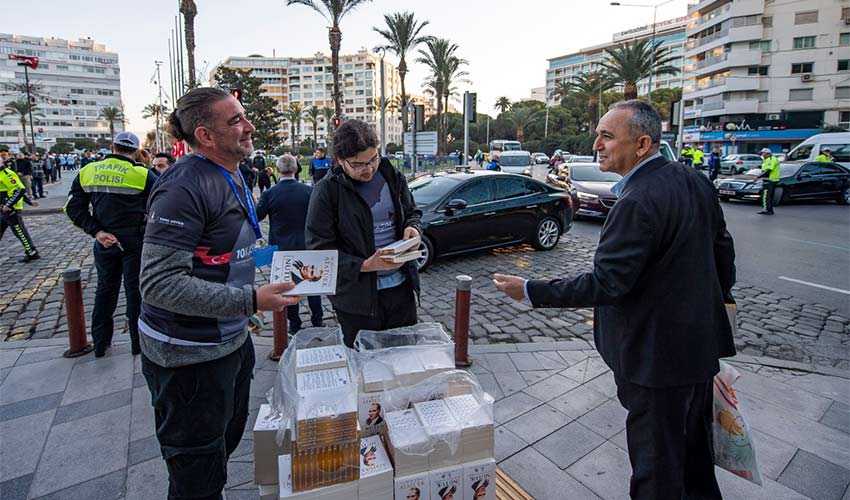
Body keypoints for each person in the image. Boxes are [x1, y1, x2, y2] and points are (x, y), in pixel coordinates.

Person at [493, 100, 736, 500]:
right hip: (698, 348)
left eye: (607, 136)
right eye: (598, 134)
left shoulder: (637, 201)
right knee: (693, 459)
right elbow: (722, 255)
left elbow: (607, 284)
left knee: (656, 469)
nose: (597, 144)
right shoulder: (693, 180)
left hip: (654, 362)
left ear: (641, 144)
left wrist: (531, 290)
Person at [139, 87, 299, 500]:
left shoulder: (231, 172)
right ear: (205, 136)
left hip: (229, 341)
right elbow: (158, 284)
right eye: (235, 121)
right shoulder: (183, 187)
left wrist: (245, 302)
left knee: (220, 453)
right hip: (188, 359)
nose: (248, 126)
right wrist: (250, 299)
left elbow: (219, 256)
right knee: (197, 479)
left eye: (244, 116)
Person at [306, 119, 421, 347]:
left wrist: (413, 227)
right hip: (356, 299)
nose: (369, 169)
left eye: (373, 159)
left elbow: (412, 211)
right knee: (365, 365)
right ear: (340, 160)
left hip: (401, 288)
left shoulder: (390, 173)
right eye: (358, 164)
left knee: (405, 355)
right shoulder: (327, 191)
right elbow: (318, 248)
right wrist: (364, 265)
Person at [64, 132, 155, 357]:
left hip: (104, 241)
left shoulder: (87, 171)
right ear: (135, 151)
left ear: (112, 148)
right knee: (135, 292)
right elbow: (164, 203)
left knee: (104, 291)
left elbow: (72, 209)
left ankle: (101, 344)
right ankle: (138, 344)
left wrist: (97, 231)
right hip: (134, 240)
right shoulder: (142, 174)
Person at [256, 154, 325, 333]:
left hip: (282, 247)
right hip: (307, 244)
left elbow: (257, 217)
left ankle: (294, 325)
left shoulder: (270, 193)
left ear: (278, 171)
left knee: (288, 287)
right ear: (296, 169)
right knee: (313, 284)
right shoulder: (309, 191)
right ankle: (318, 320)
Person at [0, 155, 40, 261]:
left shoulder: (7, 174)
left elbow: (19, 190)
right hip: (3, 208)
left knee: (20, 231)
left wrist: (8, 205)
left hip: (10, 209)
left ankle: (32, 252)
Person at [758, 147, 780, 215]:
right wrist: (758, 167)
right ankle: (769, 209)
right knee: (768, 196)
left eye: (763, 153)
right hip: (770, 180)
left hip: (769, 180)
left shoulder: (771, 159)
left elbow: (768, 170)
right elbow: (765, 168)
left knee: (766, 196)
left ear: (767, 154)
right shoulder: (767, 159)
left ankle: (767, 210)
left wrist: (758, 177)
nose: (762, 155)